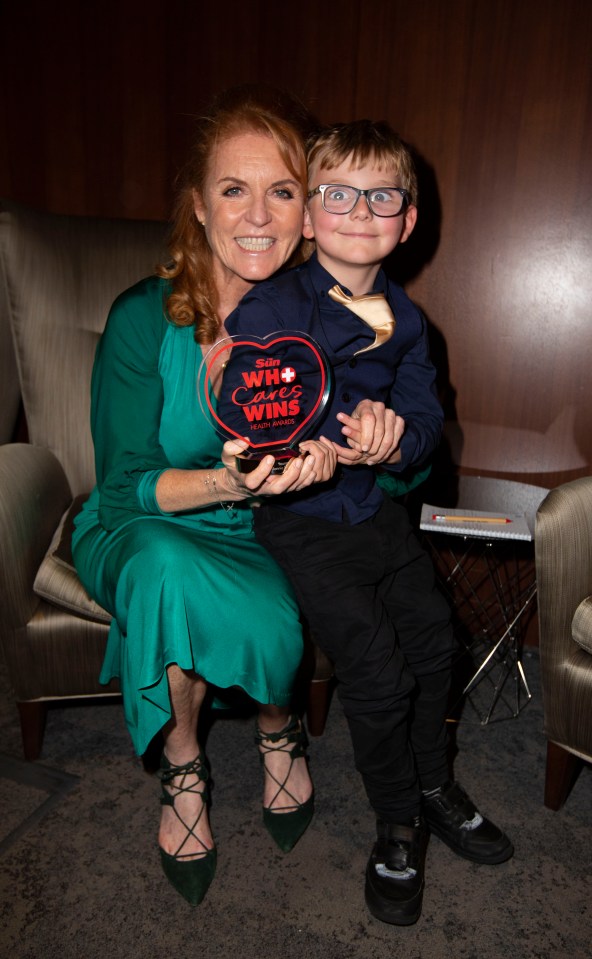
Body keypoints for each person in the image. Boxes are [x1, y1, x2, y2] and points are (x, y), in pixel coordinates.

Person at [220, 120, 514, 926]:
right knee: (378, 673)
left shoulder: (413, 322)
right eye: (338, 194)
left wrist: (395, 441)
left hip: (379, 513)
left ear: (406, 221)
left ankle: (432, 780)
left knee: (435, 643)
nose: (360, 209)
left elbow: (423, 419)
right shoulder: (276, 303)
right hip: (306, 522)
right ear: (309, 218)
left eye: (382, 195)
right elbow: (255, 388)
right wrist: (277, 437)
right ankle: (397, 821)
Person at [72, 85, 337, 907]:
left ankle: (275, 723)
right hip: (140, 522)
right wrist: (229, 480)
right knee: (160, 566)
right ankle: (183, 765)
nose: (257, 213)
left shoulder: (324, 327)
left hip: (265, 536)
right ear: (199, 205)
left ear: (307, 212)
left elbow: (390, 474)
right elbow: (121, 485)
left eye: (281, 190)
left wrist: (353, 449)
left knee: (285, 599)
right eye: (234, 188)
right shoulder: (141, 319)